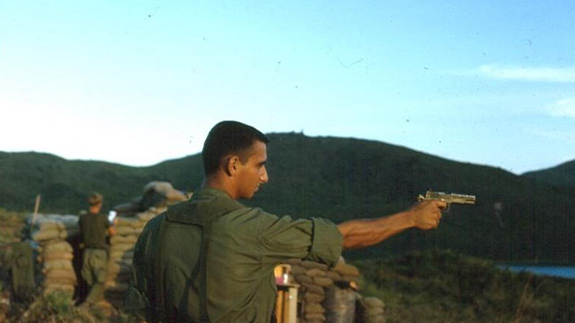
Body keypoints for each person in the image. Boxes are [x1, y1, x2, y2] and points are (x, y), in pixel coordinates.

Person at [126, 121, 445, 322]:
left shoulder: (156, 230)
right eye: (260, 165)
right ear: (234, 165)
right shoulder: (248, 227)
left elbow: (140, 306)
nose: (265, 176)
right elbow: (340, 237)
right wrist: (410, 218)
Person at [79, 192, 115, 306]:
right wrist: (113, 224)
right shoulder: (103, 218)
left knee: (89, 280)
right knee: (100, 280)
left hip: (86, 252)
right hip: (99, 253)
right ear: (99, 204)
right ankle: (88, 303)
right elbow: (112, 233)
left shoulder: (82, 219)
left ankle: (90, 305)